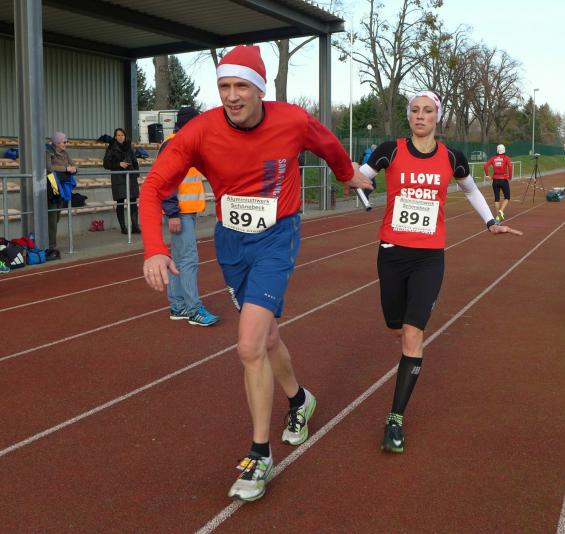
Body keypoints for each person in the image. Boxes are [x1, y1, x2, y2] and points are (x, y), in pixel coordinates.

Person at [139, 45, 372, 502]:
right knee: (266, 340)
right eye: (224, 86)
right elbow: (152, 188)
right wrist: (154, 249)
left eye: (241, 86)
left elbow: (327, 144)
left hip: (277, 237)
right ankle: (300, 399)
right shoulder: (198, 132)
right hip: (231, 242)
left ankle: (259, 453)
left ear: (260, 88)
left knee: (248, 345)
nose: (232, 95)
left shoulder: (292, 120)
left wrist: (346, 173)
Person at [355, 90, 522, 454]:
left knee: (413, 335)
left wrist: (490, 221)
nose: (420, 116)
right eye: (415, 110)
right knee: (395, 327)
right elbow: (359, 178)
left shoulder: (452, 157)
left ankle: (395, 419)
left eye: (427, 111)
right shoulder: (390, 150)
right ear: (409, 116)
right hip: (392, 253)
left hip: (429, 257)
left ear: (437, 117)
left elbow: (471, 190)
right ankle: (403, 338)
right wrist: (359, 182)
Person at [159, 106, 219, 327]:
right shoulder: (175, 144)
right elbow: (167, 180)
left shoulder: (185, 143)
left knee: (179, 259)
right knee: (188, 259)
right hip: (180, 211)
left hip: (185, 210)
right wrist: (173, 212)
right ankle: (193, 309)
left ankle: (178, 305)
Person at [44, 131, 78, 260]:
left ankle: (50, 241)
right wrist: (66, 168)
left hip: (63, 186)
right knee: (52, 216)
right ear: (57, 142)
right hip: (53, 185)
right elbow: (48, 167)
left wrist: (73, 169)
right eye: (64, 142)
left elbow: (74, 166)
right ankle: (51, 245)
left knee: (57, 215)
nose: (66, 144)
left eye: (66, 141)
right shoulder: (48, 151)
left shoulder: (65, 153)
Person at [103, 127, 141, 235]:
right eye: (118, 135)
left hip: (131, 177)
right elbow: (106, 164)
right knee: (120, 202)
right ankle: (123, 227)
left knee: (133, 201)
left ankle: (135, 226)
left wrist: (136, 173)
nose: (120, 137)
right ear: (115, 137)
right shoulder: (111, 147)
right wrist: (118, 164)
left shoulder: (129, 147)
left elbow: (135, 162)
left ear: (125, 136)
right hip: (118, 178)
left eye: (122, 135)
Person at [483, 144, 513, 221]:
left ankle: (497, 217)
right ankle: (501, 211)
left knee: (497, 198)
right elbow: (510, 167)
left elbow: (485, 165)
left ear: (497, 150)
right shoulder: (506, 158)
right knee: (507, 197)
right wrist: (510, 177)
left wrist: (487, 175)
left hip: (495, 180)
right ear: (504, 150)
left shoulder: (493, 158)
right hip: (504, 180)